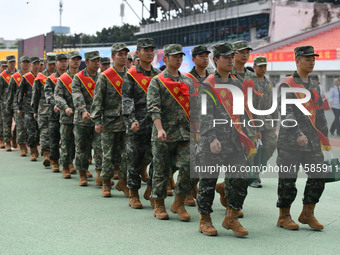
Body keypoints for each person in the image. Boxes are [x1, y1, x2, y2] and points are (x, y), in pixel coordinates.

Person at [197, 42, 252, 237]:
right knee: (208, 182)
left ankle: (231, 217)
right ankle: (205, 220)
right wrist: (211, 138)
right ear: (216, 60)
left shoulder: (236, 83)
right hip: (213, 143)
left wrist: (247, 136)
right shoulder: (208, 85)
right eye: (226, 57)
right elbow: (204, 115)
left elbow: (241, 113)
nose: (230, 60)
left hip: (234, 141)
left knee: (241, 179)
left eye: (232, 57)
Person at [276, 46, 329, 231]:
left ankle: (308, 213)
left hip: (312, 143)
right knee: (287, 180)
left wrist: (324, 137)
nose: (312, 61)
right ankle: (284, 216)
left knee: (318, 175)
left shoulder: (314, 85)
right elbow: (286, 113)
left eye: (313, 58)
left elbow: (319, 112)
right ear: (297, 61)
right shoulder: (287, 85)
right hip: (290, 143)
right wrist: (297, 134)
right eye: (307, 58)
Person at [147, 44, 196, 221]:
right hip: (164, 133)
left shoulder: (188, 81)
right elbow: (154, 107)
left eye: (180, 56)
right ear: (165, 58)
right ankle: (159, 203)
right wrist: (159, 129)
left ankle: (179, 201)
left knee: (191, 165)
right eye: (174, 56)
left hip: (184, 133)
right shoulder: (157, 81)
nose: (178, 59)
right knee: (161, 170)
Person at [122, 38, 160, 208]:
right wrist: (131, 120)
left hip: (154, 123)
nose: (150, 53)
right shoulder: (130, 75)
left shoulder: (158, 74)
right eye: (146, 50)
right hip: (136, 123)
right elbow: (127, 99)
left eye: (152, 49)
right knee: (134, 159)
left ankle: (151, 190)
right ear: (137, 53)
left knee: (157, 159)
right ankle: (133, 193)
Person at [91, 43, 129, 197]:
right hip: (109, 122)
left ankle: (123, 181)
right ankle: (106, 183)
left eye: (125, 54)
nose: (123, 57)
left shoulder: (130, 75)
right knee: (108, 155)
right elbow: (97, 100)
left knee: (128, 154)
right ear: (113, 57)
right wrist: (97, 121)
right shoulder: (105, 76)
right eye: (120, 54)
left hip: (127, 122)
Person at [183, 45, 212, 206]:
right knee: (192, 160)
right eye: (201, 56)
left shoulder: (213, 78)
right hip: (192, 123)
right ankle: (187, 191)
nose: (205, 58)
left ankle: (196, 188)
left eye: (206, 56)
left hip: (210, 125)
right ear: (193, 59)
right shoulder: (186, 79)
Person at [72, 50, 102, 186]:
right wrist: (83, 111)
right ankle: (82, 173)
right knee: (82, 148)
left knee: (99, 147)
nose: (97, 63)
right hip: (82, 119)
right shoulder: (78, 78)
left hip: (98, 119)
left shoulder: (102, 77)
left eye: (98, 60)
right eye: (94, 61)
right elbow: (77, 95)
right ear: (87, 62)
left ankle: (99, 174)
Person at [249, 56, 278, 188]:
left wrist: (275, 122)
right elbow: (250, 106)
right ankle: (253, 176)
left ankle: (255, 171)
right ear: (254, 67)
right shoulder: (250, 82)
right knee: (253, 149)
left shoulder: (268, 83)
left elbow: (273, 103)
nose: (263, 68)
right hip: (254, 121)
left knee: (271, 145)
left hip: (267, 120)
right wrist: (256, 128)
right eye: (260, 66)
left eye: (264, 66)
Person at [54, 51, 82, 179]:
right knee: (66, 142)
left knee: (81, 143)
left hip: (82, 116)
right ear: (69, 61)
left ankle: (79, 166)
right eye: (73, 59)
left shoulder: (83, 77)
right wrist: (65, 107)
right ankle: (65, 166)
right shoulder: (63, 79)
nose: (76, 62)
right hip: (67, 116)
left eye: (78, 59)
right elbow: (57, 96)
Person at [31, 52, 56, 167]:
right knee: (45, 133)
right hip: (43, 110)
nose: (52, 66)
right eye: (50, 64)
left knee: (55, 134)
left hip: (57, 111)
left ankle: (55, 156)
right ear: (46, 63)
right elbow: (35, 96)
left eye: (54, 64)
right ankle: (46, 154)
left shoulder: (61, 77)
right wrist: (35, 111)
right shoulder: (40, 77)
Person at [45, 53, 68, 173]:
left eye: (65, 61)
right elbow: (48, 94)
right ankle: (55, 161)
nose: (63, 63)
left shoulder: (73, 78)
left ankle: (68, 162)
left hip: (69, 114)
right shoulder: (50, 79)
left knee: (69, 140)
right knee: (54, 138)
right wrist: (56, 104)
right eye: (61, 61)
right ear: (56, 63)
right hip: (55, 114)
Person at [6, 56, 31, 156]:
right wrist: (8, 106)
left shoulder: (32, 76)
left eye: (27, 62)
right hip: (18, 105)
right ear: (20, 64)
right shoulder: (15, 77)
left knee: (30, 127)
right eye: (23, 62)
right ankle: (22, 147)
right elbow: (10, 93)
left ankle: (31, 145)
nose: (25, 64)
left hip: (30, 105)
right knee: (20, 126)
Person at [17, 57, 40, 161]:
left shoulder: (43, 77)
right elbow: (20, 93)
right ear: (31, 65)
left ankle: (41, 149)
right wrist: (19, 107)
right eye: (34, 64)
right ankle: (33, 150)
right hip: (28, 108)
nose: (36, 66)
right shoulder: (26, 77)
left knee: (40, 131)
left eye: (38, 63)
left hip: (42, 109)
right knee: (30, 131)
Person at [0, 55, 17, 151]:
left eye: (13, 61)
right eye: (10, 62)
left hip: (17, 103)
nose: (12, 64)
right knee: (6, 123)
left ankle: (14, 137)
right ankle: (7, 142)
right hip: (5, 103)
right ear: (7, 63)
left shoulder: (19, 74)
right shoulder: (2, 76)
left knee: (18, 123)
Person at [0, 60, 8, 149]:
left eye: (6, 67)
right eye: (3, 67)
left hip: (12, 103)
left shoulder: (14, 75)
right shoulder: (1, 77)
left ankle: (13, 136)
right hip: (2, 102)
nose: (5, 69)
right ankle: (2, 139)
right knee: (2, 122)